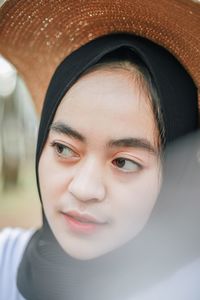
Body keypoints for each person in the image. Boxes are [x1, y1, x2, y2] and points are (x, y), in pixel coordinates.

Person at [0, 0, 199, 300]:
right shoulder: (5, 261)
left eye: (124, 162)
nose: (83, 188)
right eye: (64, 149)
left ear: (177, 176)